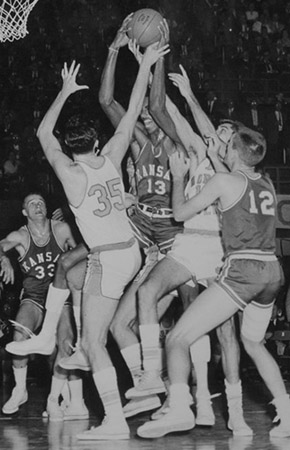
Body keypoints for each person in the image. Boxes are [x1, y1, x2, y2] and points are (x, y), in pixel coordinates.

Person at [28, 39, 169, 440]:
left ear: (70, 149)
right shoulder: (111, 154)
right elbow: (129, 112)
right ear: (94, 141)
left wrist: (65, 91)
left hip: (106, 260)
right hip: (132, 252)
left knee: (92, 341)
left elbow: (42, 132)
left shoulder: (70, 174)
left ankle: (114, 421)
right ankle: (143, 376)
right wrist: (144, 64)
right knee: (104, 332)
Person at [136, 123, 290, 439]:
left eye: (227, 144)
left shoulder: (222, 180)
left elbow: (179, 214)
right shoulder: (267, 184)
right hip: (272, 272)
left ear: (233, 150)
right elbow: (233, 183)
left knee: (177, 338)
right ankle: (287, 414)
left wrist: (178, 176)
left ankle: (179, 407)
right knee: (254, 343)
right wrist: (214, 156)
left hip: (242, 272)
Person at [125, 58, 251, 435]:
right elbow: (165, 111)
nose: (218, 132)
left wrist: (192, 96)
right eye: (219, 127)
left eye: (227, 131)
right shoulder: (199, 152)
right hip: (188, 243)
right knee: (150, 293)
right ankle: (155, 376)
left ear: (236, 143)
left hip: (217, 249)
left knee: (225, 333)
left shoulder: (233, 170)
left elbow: (206, 129)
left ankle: (235, 411)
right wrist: (150, 68)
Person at [97, 17, 193, 420]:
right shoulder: (136, 139)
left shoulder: (173, 137)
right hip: (141, 230)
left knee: (189, 312)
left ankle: (191, 391)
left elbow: (155, 104)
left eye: (155, 114)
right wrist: (114, 50)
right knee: (120, 324)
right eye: (144, 116)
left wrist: (153, 62)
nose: (148, 117)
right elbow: (105, 101)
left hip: (173, 231)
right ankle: (144, 381)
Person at [0, 192, 76, 415]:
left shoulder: (61, 229)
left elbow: (82, 249)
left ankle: (60, 397)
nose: (37, 205)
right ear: (24, 212)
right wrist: (4, 258)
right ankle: (20, 389)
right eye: (32, 203)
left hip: (61, 295)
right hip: (34, 297)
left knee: (64, 343)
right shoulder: (21, 236)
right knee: (19, 336)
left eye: (41, 202)